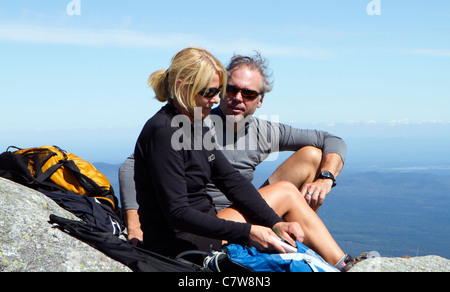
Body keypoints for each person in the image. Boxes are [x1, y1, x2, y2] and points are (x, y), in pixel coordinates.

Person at [132, 47, 352, 270]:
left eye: (218, 91)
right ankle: (344, 265)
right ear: (182, 87)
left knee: (285, 205)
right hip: (184, 245)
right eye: (210, 92)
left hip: (208, 232)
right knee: (285, 194)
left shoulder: (195, 124)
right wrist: (249, 232)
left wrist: (275, 223)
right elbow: (177, 213)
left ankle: (343, 265)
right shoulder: (163, 131)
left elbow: (229, 179)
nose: (217, 100)